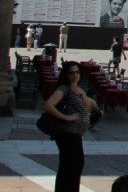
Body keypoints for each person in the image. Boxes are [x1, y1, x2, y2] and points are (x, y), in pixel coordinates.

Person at [44, 61, 92, 192]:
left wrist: (83, 94)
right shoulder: (64, 89)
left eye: (77, 72)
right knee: (68, 167)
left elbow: (88, 108)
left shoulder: (77, 90)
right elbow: (48, 105)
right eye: (71, 73)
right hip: (67, 134)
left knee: (77, 165)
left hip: (76, 134)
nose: (75, 75)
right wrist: (66, 117)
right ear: (66, 74)